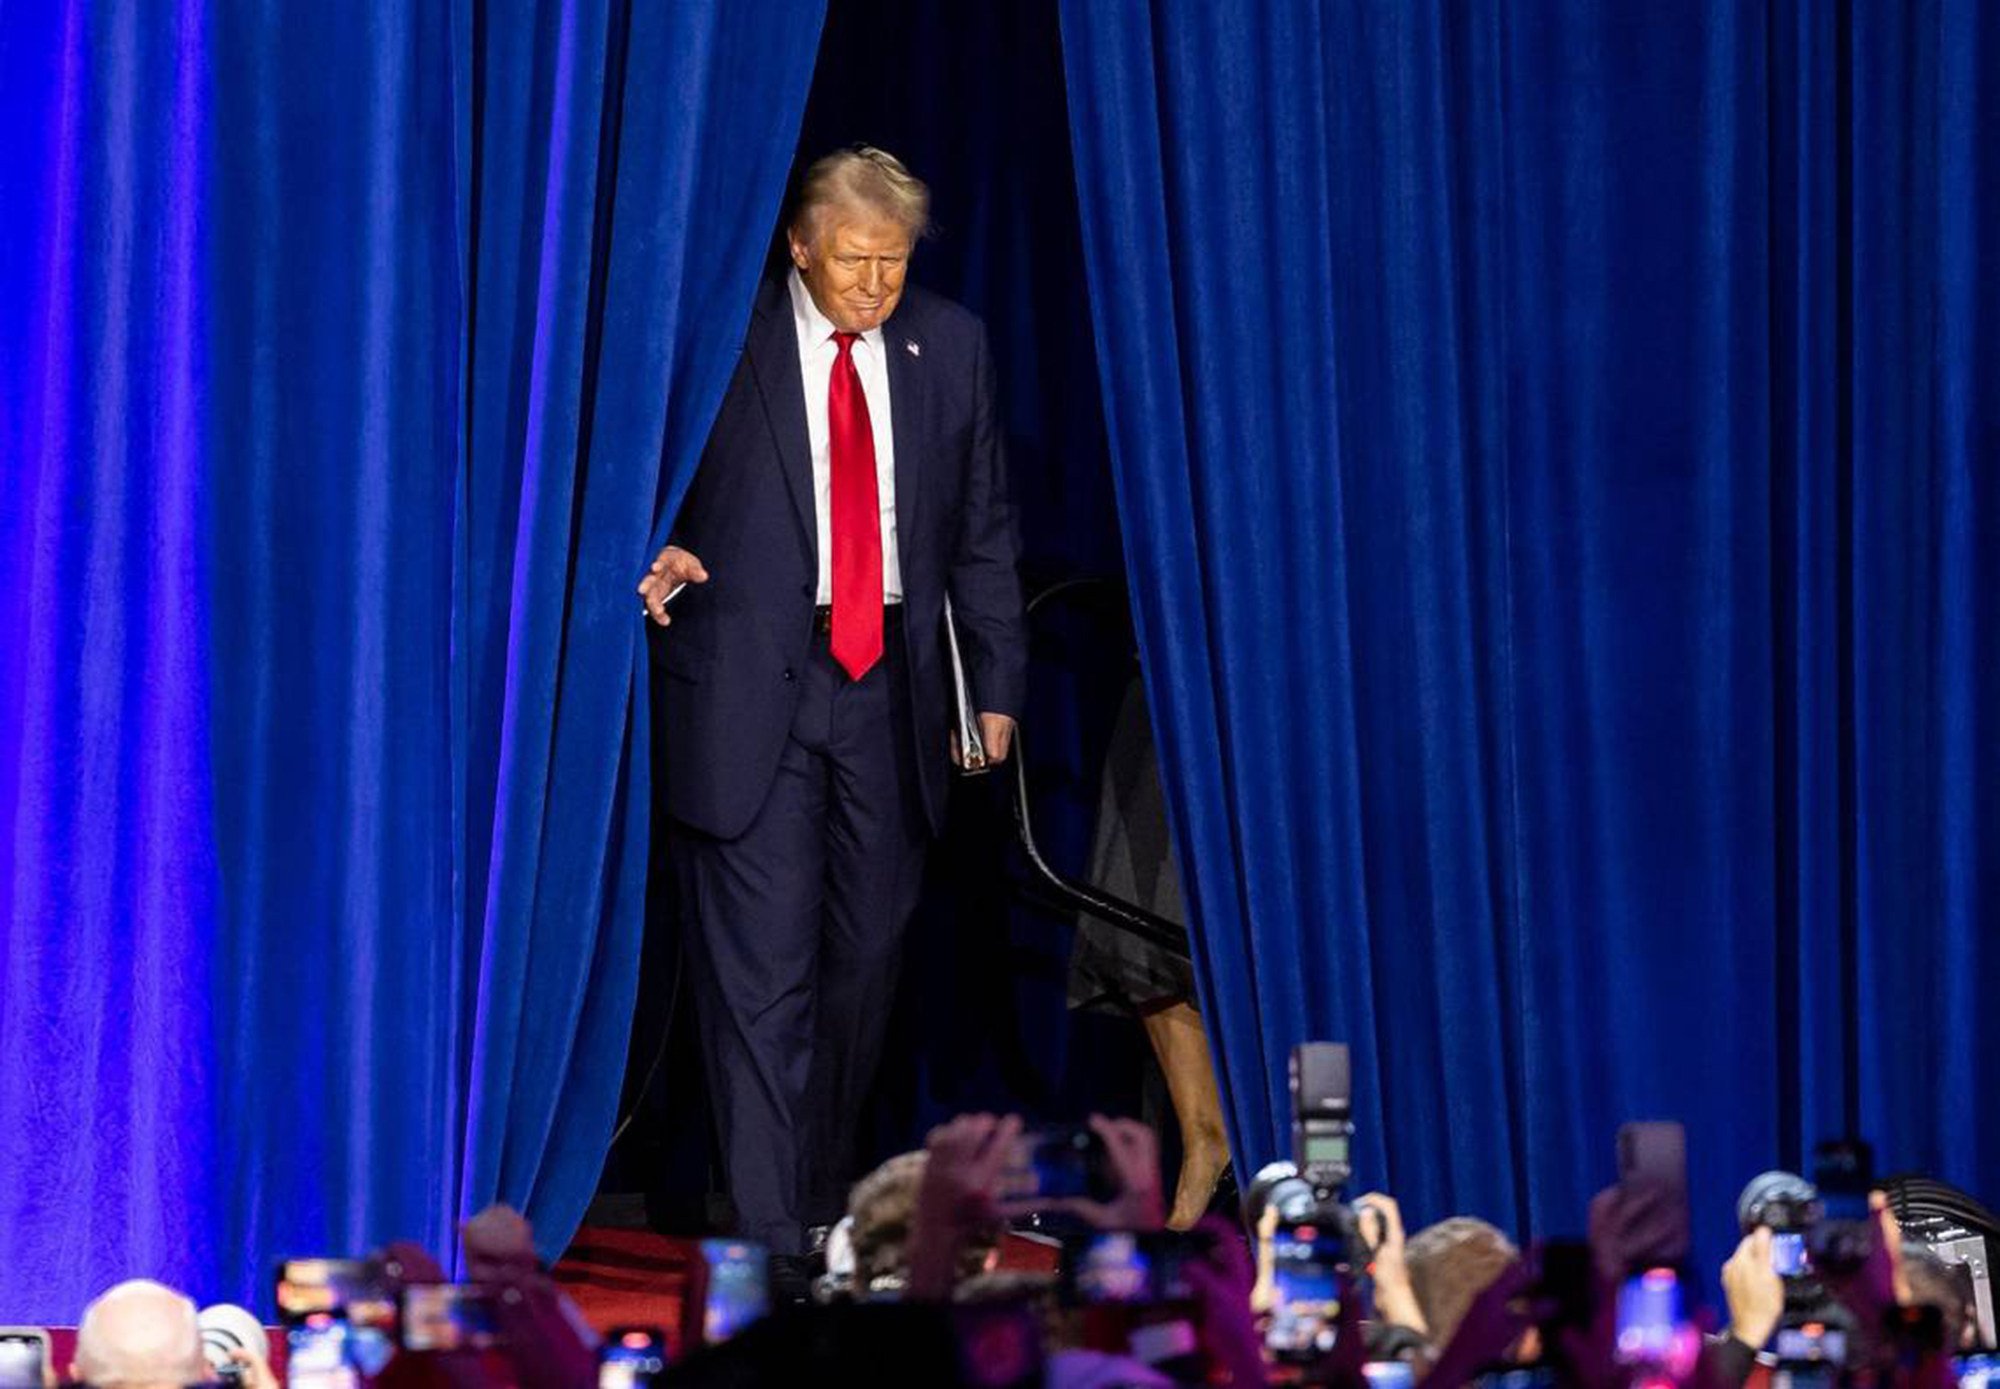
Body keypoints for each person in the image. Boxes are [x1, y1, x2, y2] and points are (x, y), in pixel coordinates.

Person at [639, 146, 1027, 1276]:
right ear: (800, 245)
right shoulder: (723, 336)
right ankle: (769, 1244)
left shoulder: (948, 346)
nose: (872, 285)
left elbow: (982, 529)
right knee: (761, 982)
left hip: (889, 690)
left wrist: (993, 687)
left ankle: (815, 1203)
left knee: (863, 966)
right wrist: (649, 544)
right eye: (853, 262)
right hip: (749, 686)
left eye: (892, 264)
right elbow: (633, 474)